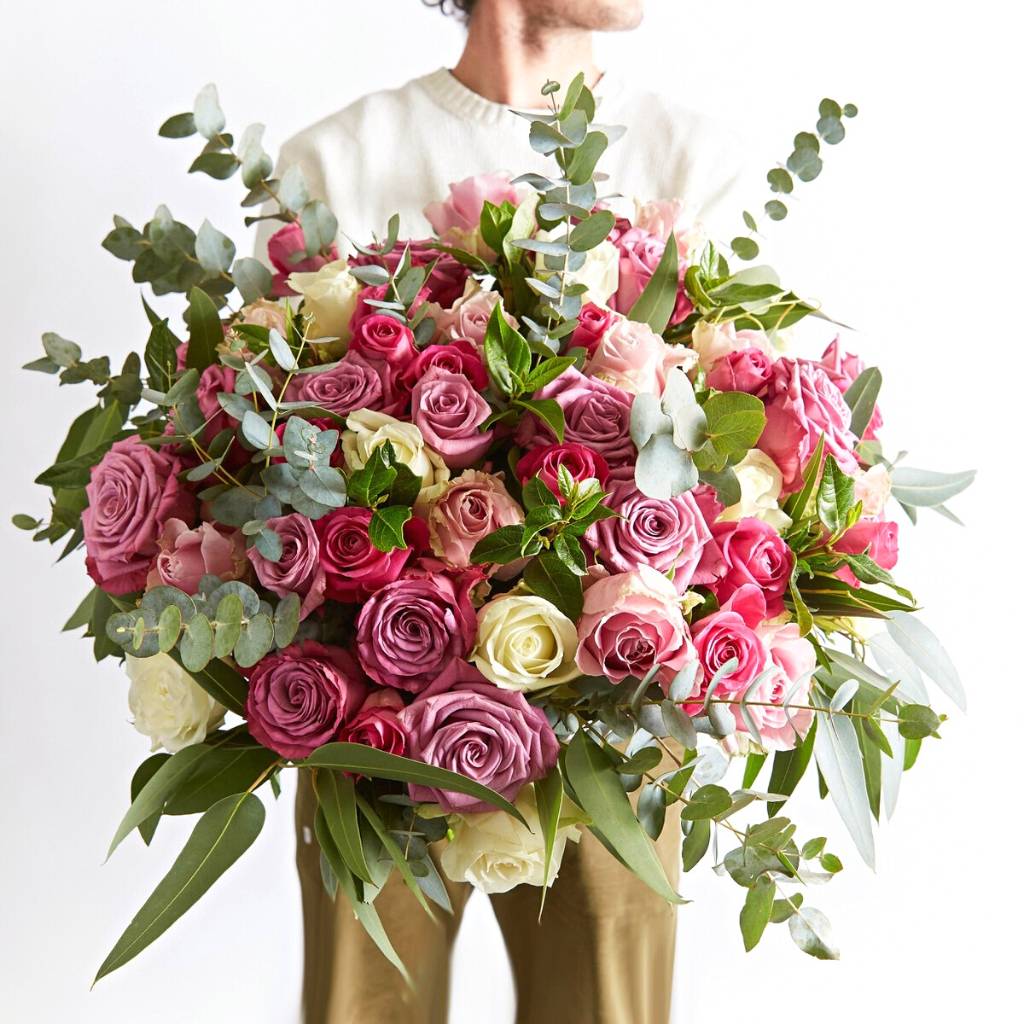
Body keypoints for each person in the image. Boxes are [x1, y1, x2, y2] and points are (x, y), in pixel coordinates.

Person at [256, 3, 757, 1022]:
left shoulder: (687, 159)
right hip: (372, 707)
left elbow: (743, 454)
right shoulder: (338, 163)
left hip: (615, 714)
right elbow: (263, 457)